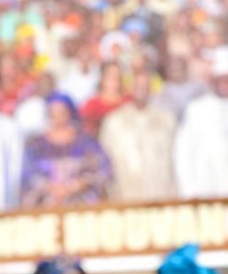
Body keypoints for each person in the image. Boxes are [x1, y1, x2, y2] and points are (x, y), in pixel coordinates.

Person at [20, 93, 112, 208]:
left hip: (82, 207)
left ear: (69, 113)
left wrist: (77, 185)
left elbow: (103, 169)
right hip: (47, 208)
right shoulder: (35, 145)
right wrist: (51, 188)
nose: (58, 118)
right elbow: (27, 176)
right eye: (53, 113)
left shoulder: (86, 142)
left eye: (62, 113)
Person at [99, 70, 177, 203]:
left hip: (161, 193)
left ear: (151, 89)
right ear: (130, 88)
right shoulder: (114, 121)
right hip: (127, 194)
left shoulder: (166, 120)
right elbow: (105, 160)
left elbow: (176, 158)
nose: (142, 90)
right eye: (138, 86)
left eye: (145, 86)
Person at [174, 46, 228, 198]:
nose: (225, 84)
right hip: (205, 192)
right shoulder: (196, 109)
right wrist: (189, 190)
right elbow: (183, 152)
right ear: (213, 81)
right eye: (221, 80)